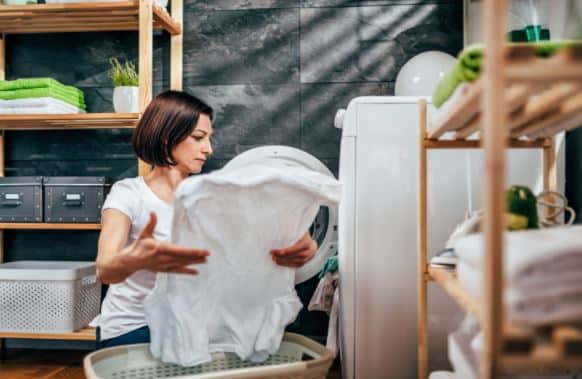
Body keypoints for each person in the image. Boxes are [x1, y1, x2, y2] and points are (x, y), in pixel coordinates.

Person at [95, 90, 318, 348]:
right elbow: (105, 268)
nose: (208, 149)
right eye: (199, 138)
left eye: (208, 139)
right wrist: (135, 258)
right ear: (168, 138)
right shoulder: (129, 194)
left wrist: (303, 243)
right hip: (133, 327)